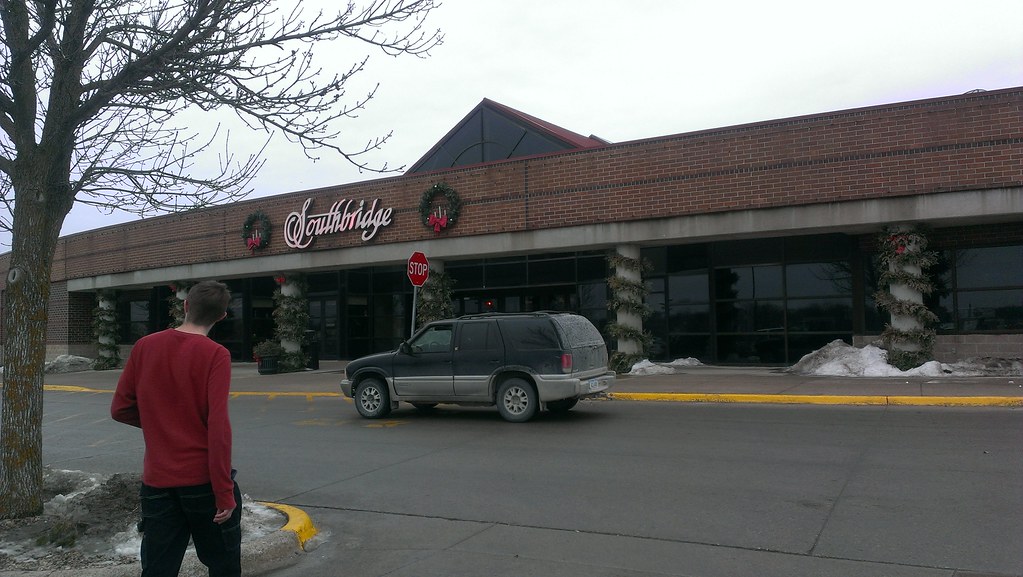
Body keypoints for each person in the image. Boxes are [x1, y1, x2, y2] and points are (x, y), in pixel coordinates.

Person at [111, 280, 241, 577]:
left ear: (185, 306)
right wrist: (224, 493)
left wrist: (161, 423)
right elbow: (218, 427)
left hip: (157, 483)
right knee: (223, 564)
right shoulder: (216, 355)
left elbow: (120, 409)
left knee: (158, 567)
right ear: (221, 317)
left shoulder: (144, 346)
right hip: (203, 483)